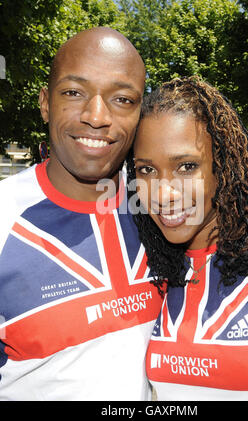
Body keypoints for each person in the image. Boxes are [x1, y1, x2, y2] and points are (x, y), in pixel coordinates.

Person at [0, 27, 163, 401]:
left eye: (122, 99)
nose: (96, 116)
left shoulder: (164, 211)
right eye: (74, 92)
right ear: (45, 103)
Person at [126, 75, 248, 400]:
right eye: (147, 170)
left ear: (223, 165)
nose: (162, 194)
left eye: (186, 166)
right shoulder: (148, 271)